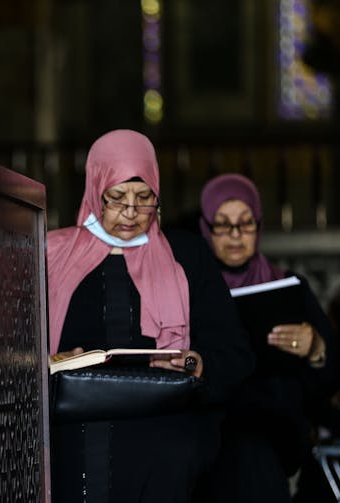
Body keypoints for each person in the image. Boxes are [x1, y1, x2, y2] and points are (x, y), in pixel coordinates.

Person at [47, 129, 254, 502]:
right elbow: (8, 351)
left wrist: (198, 363)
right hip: (71, 438)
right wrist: (51, 362)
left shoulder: (187, 257)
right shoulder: (52, 254)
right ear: (95, 190)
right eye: (116, 198)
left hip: (162, 443)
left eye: (144, 198)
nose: (130, 212)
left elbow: (235, 352)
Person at [198, 173, 340, 502]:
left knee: (251, 453)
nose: (235, 235)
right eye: (223, 225)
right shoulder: (190, 293)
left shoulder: (288, 287)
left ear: (259, 225)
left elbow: (333, 379)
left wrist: (316, 349)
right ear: (206, 228)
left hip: (274, 433)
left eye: (245, 223)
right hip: (210, 431)